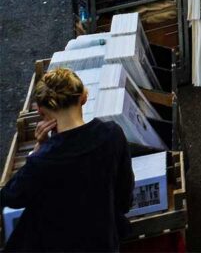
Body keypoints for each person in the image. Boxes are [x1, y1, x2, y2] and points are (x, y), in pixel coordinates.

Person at [0, 68, 134, 251]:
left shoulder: (42, 161)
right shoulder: (112, 134)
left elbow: (10, 196)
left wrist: (38, 149)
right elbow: (124, 199)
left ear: (41, 112)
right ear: (84, 98)